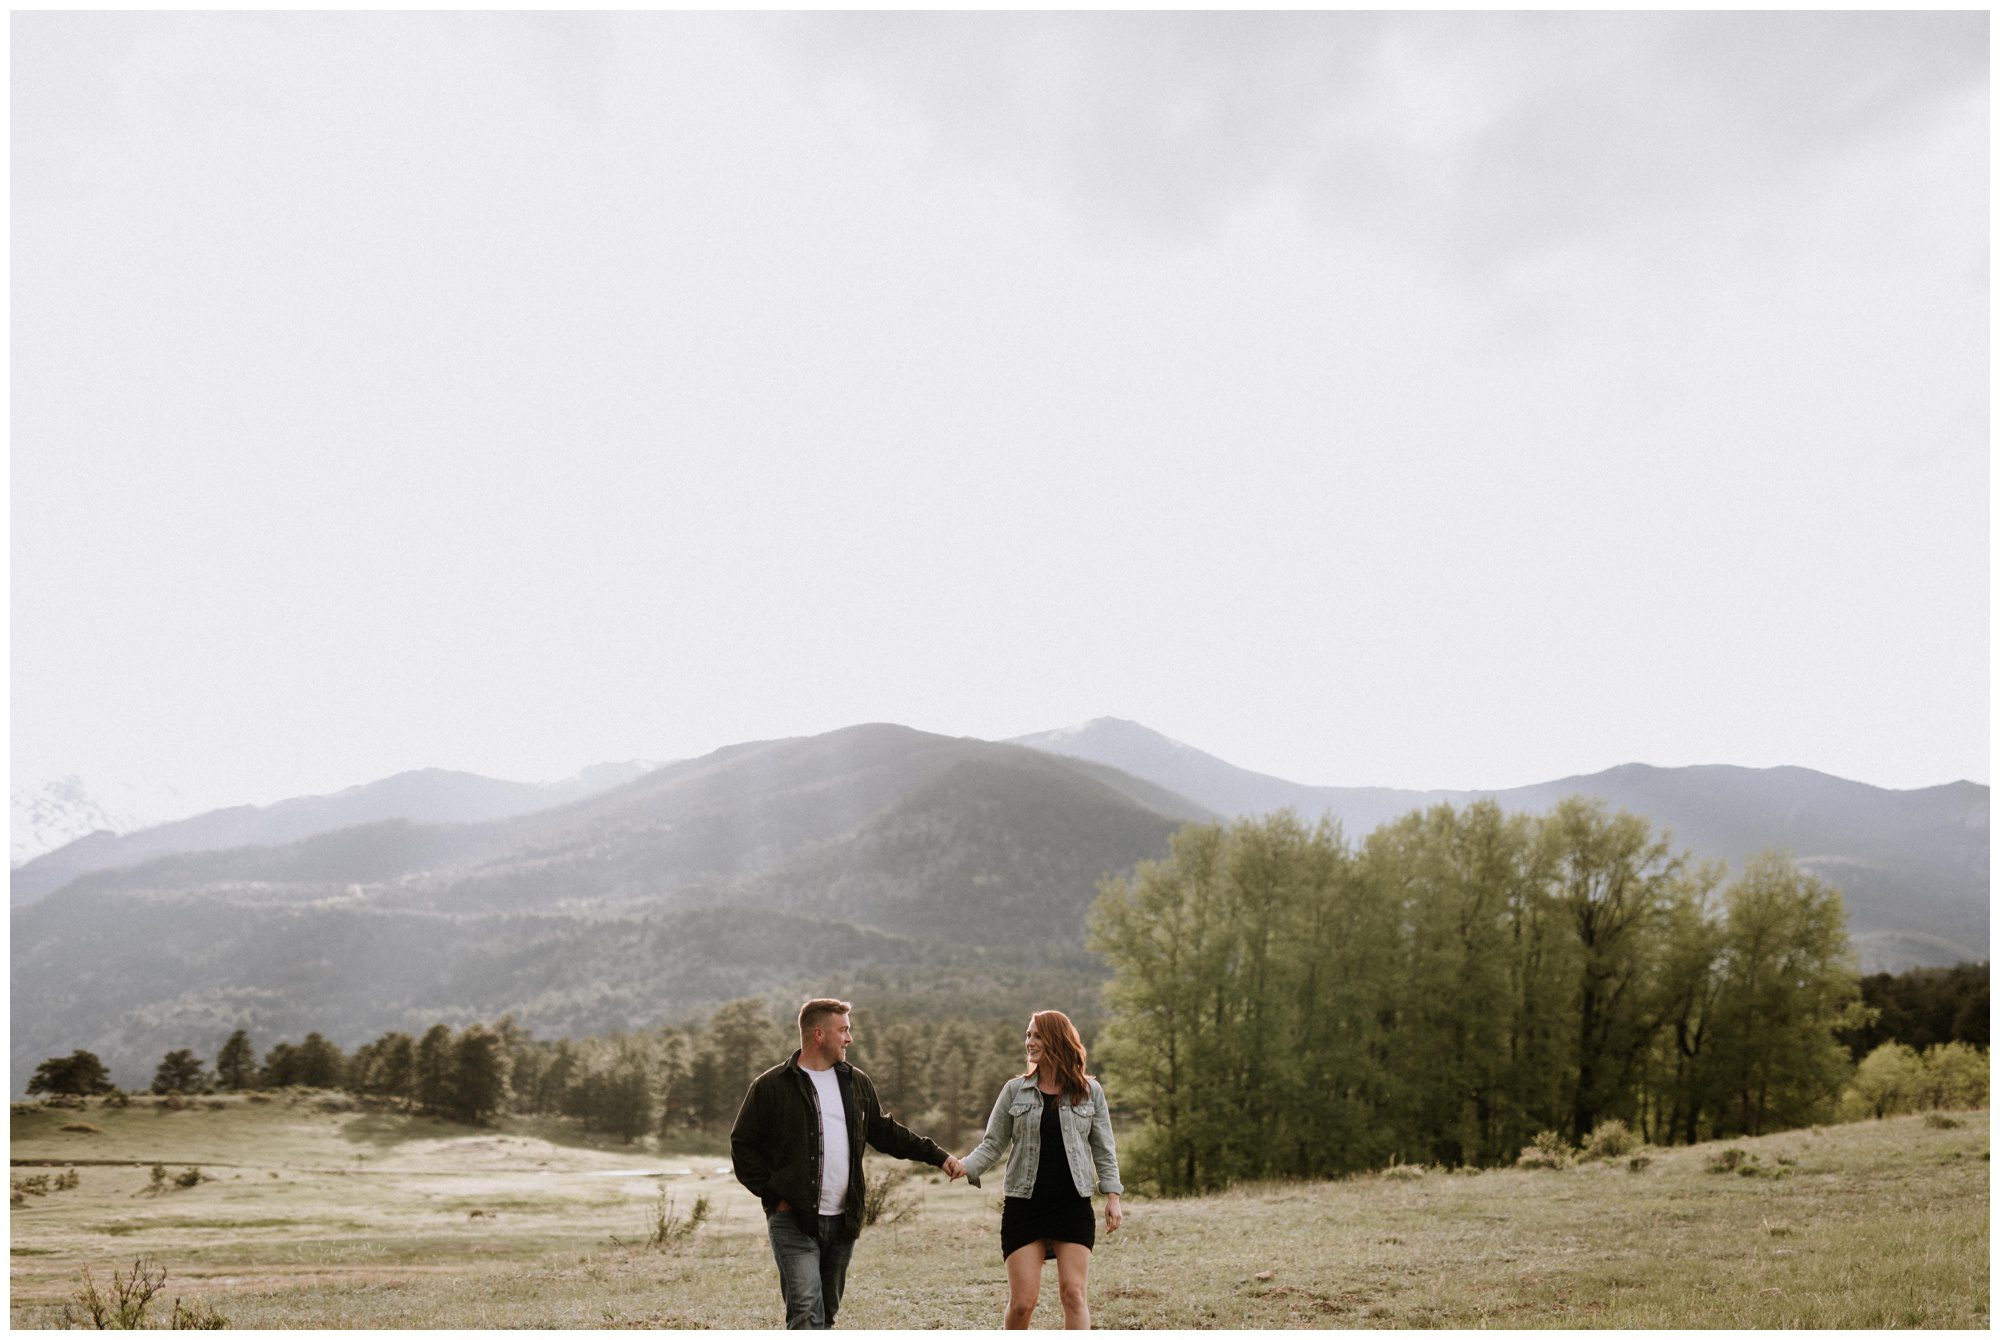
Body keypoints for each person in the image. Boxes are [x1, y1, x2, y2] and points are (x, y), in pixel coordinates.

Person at [730, 998, 966, 1329]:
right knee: (804, 1309)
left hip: (844, 1220)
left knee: (826, 1315)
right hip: (793, 1220)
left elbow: (885, 1133)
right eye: (843, 1030)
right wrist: (774, 1196)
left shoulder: (856, 1082)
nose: (849, 1038)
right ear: (818, 1034)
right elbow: (742, 1145)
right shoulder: (771, 1085)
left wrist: (939, 1157)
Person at [958, 1009, 1124, 1330]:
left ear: (1055, 1040)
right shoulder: (1014, 1091)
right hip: (1025, 1205)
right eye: (1027, 1035)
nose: (1029, 1042)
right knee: (1022, 1304)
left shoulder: (1089, 1092)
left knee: (1073, 1293)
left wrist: (1113, 1196)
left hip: (1072, 1204)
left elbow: (1104, 1149)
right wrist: (964, 1166)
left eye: (1036, 1035)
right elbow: (993, 1144)